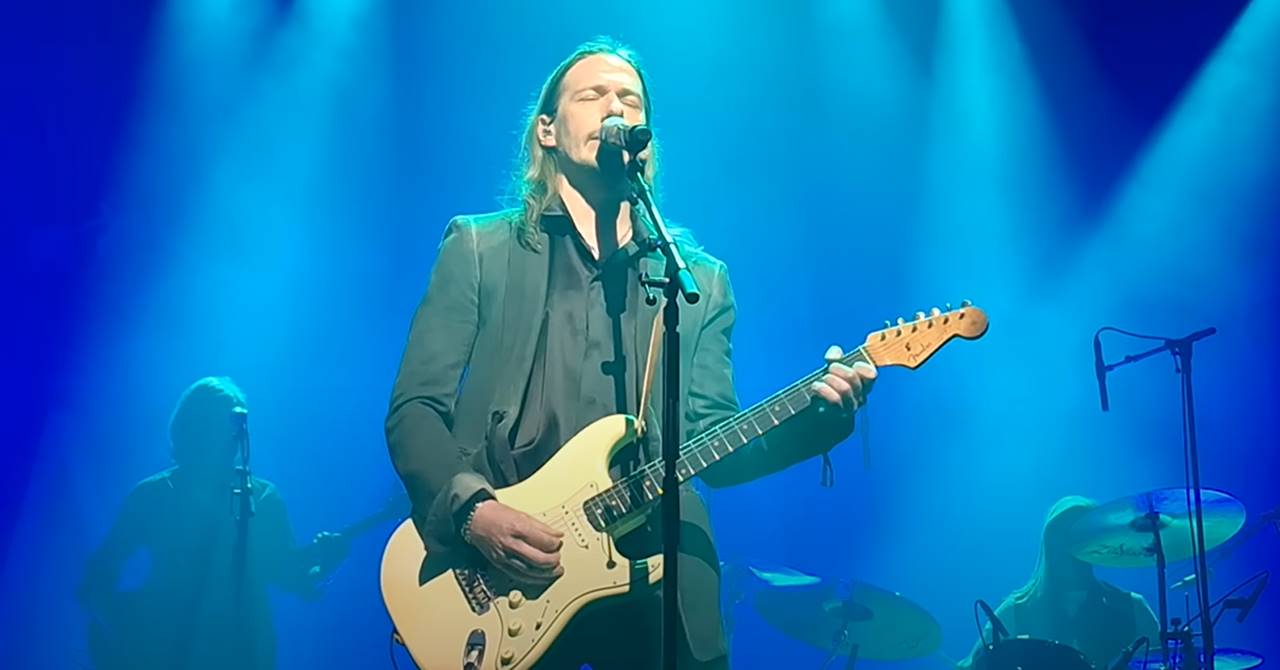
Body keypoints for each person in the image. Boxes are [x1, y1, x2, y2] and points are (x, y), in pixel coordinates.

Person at [385, 37, 876, 669]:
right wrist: (472, 511)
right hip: (505, 569)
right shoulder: (481, 250)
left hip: (657, 578)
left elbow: (715, 448)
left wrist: (819, 418)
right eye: (592, 96)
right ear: (547, 131)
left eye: (630, 100)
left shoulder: (697, 281)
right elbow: (416, 408)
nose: (615, 108)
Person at [80, 376, 349, 670]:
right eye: (217, 425)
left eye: (237, 426)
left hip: (241, 654)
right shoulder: (154, 494)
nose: (231, 435)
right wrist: (124, 635)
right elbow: (98, 575)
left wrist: (327, 564)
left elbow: (295, 580)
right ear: (191, 428)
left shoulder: (261, 498)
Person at [960, 496, 1161, 669]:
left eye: (1080, 535)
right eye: (1062, 536)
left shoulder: (1134, 608)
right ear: (1049, 544)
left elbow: (1163, 661)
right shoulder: (1014, 612)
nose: (1070, 547)